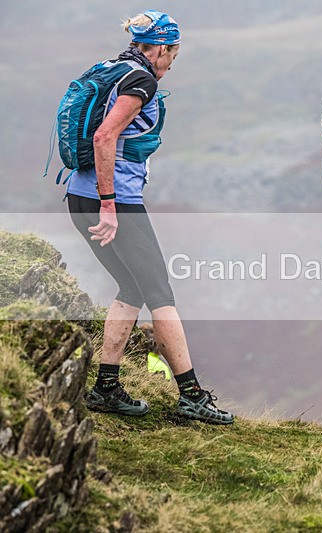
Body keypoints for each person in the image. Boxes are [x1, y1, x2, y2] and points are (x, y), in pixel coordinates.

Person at [66, 11, 233, 424]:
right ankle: (192, 396)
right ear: (159, 47)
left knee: (131, 287)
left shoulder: (112, 68)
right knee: (161, 294)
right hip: (113, 203)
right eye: (172, 53)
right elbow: (105, 136)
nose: (172, 61)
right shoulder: (141, 80)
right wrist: (109, 204)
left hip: (77, 197)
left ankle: (106, 387)